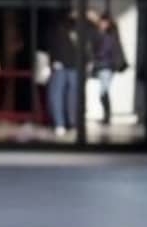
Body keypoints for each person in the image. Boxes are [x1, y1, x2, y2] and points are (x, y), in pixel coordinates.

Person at [47, 8, 83, 136]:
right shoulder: (62, 27)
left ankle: (65, 123)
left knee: (64, 95)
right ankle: (64, 123)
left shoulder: (76, 28)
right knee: (64, 95)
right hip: (65, 65)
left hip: (68, 65)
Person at [91, 11, 128, 126]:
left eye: (104, 22)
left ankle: (107, 117)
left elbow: (104, 51)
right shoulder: (101, 34)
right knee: (103, 91)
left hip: (106, 66)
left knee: (103, 92)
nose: (102, 24)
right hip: (103, 66)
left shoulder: (109, 35)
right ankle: (106, 116)